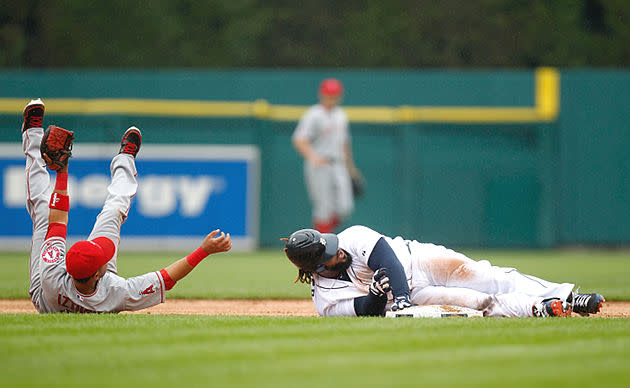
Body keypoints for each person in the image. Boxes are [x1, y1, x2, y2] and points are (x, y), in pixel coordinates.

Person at [21, 98, 232, 313]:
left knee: (42, 209)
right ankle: (125, 158)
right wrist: (204, 251)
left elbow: (57, 221)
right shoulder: (116, 292)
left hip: (44, 297)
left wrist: (62, 172)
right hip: (89, 291)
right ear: (97, 274)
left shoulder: (51, 274)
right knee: (114, 210)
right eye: (103, 258)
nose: (107, 256)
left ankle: (31, 133)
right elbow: (165, 279)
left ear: (65, 267)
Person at [283, 225, 605, 317]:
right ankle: (542, 309)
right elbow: (364, 309)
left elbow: (388, 260)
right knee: (478, 303)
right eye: (327, 253)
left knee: (489, 276)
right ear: (317, 267)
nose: (335, 248)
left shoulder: (351, 236)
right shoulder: (325, 299)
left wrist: (402, 299)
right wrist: (379, 298)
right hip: (419, 294)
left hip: (420, 260)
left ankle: (568, 297)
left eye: (330, 243)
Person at [292, 78, 363, 233]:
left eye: (334, 95)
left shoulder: (341, 115)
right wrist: (313, 157)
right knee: (323, 208)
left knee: (345, 206)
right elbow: (299, 139)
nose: (332, 99)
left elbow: (344, 144)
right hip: (320, 164)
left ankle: (325, 236)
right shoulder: (314, 114)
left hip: (338, 163)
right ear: (322, 95)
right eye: (329, 95)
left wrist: (351, 169)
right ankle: (321, 247)